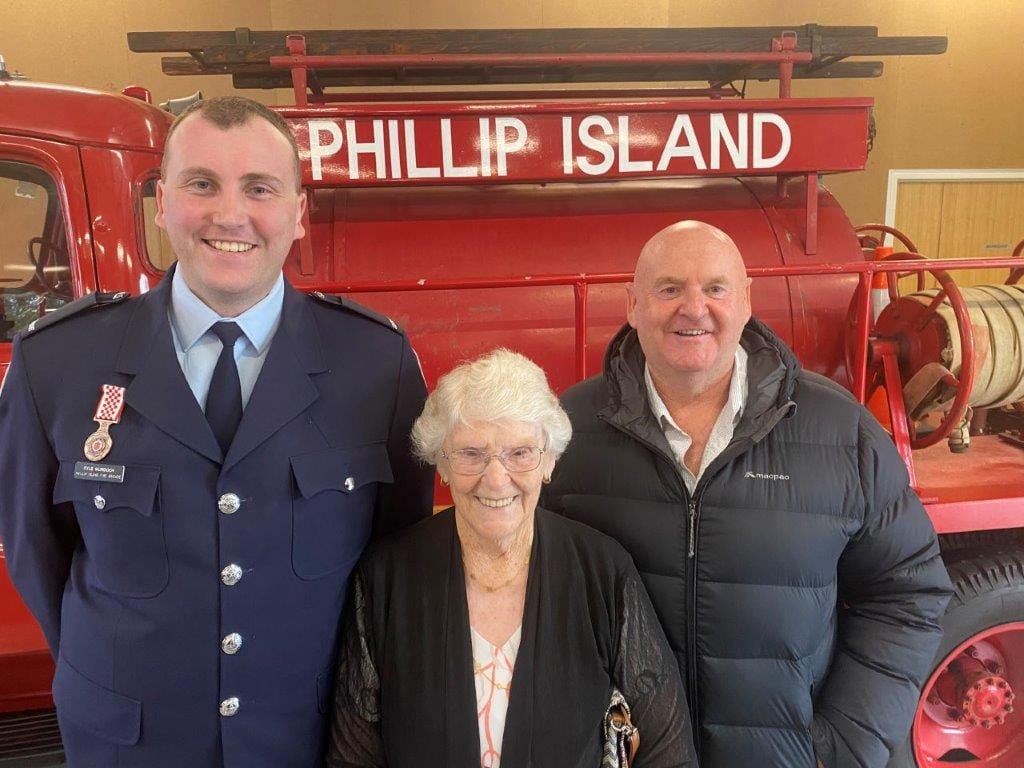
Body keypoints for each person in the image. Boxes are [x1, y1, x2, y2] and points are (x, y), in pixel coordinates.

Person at [0, 96, 432, 767]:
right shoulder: (57, 362)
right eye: (201, 184)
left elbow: (398, 559)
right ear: (163, 202)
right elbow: (37, 552)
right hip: (129, 740)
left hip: (308, 740)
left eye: (259, 188)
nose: (229, 215)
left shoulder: (375, 365)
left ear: (296, 212)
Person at [543, 221, 954, 768]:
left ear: (745, 302)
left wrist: (846, 745)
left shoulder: (839, 431)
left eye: (715, 288)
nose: (694, 307)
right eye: (669, 289)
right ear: (632, 304)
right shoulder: (569, 430)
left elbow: (907, 592)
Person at [327, 349, 696, 768]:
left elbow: (669, 752)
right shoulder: (387, 576)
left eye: (519, 453)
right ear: (441, 464)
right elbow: (352, 757)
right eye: (471, 454)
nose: (496, 478)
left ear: (549, 461)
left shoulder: (602, 570)